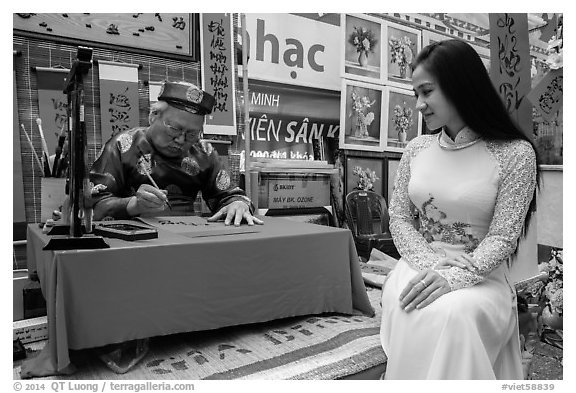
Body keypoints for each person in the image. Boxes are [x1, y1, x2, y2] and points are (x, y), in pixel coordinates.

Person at [379, 39, 539, 379]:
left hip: (480, 276)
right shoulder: (416, 150)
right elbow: (400, 219)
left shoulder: (515, 154)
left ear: (460, 85)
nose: (419, 104)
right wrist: (433, 264)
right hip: (419, 266)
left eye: (427, 91)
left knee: (455, 314)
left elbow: (504, 236)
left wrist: (454, 277)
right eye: (415, 95)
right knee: (412, 302)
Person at [89, 80, 263, 227]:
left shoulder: (203, 152)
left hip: (186, 236)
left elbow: (228, 194)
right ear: (153, 116)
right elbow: (93, 206)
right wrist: (132, 204)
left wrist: (238, 204)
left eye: (191, 134)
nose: (181, 140)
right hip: (134, 240)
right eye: (174, 129)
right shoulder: (123, 145)